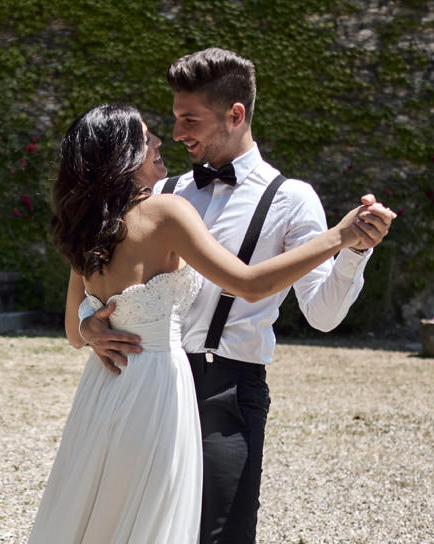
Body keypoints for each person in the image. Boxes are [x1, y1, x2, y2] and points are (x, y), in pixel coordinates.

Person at [28, 104, 391, 544]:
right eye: (146, 139)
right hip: (158, 386)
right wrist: (340, 237)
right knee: (154, 517)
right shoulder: (166, 211)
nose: (161, 142)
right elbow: (249, 283)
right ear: (121, 154)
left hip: (104, 386)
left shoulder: (87, 226)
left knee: (104, 510)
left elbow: (73, 330)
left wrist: (92, 328)